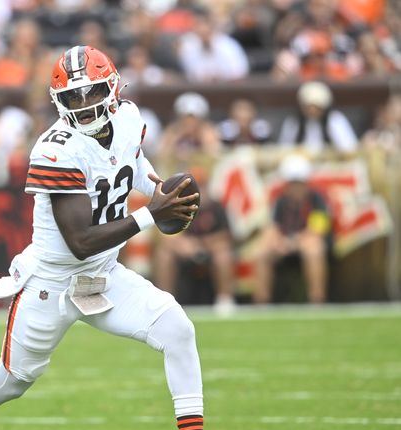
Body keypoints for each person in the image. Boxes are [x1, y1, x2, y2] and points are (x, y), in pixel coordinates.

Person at [0, 46, 235, 430]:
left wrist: (157, 188)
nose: (83, 105)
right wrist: (150, 214)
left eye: (92, 93)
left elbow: (131, 164)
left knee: (177, 326)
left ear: (114, 87)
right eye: (74, 97)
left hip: (104, 274)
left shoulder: (128, 118)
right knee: (12, 380)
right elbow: (80, 241)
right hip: (52, 283)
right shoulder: (55, 149)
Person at [153, 169, 236, 316]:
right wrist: (184, 244)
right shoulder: (177, 206)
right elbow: (165, 233)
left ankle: (225, 299)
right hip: (185, 251)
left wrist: (202, 243)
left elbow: (226, 236)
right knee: (164, 253)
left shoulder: (216, 206)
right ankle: (164, 302)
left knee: (223, 252)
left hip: (211, 250)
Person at [252, 154, 331, 304]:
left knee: (314, 250)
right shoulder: (281, 201)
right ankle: (261, 301)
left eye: (299, 183)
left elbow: (317, 231)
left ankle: (317, 299)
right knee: (261, 252)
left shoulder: (317, 200)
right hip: (285, 244)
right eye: (292, 184)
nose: (296, 188)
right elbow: (272, 228)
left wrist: (293, 243)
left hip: (305, 243)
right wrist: (277, 242)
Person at [277, 81, 358, 155]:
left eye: (316, 107)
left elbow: (349, 148)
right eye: (308, 107)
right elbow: (283, 149)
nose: (312, 111)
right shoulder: (293, 122)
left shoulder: (335, 119)